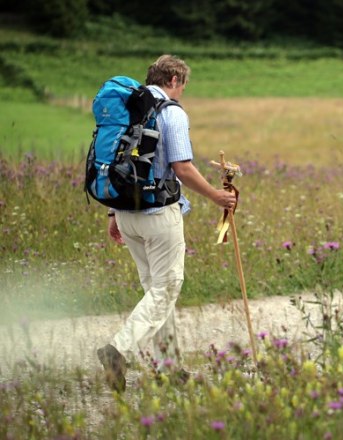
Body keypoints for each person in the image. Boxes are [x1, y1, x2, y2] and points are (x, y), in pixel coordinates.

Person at [97, 55, 236, 392]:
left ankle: (170, 368)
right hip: (159, 215)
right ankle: (118, 350)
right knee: (167, 287)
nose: (183, 92)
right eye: (183, 85)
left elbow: (117, 162)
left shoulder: (129, 110)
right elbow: (183, 167)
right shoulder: (170, 112)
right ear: (173, 79)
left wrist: (114, 214)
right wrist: (217, 197)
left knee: (157, 292)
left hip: (127, 213)